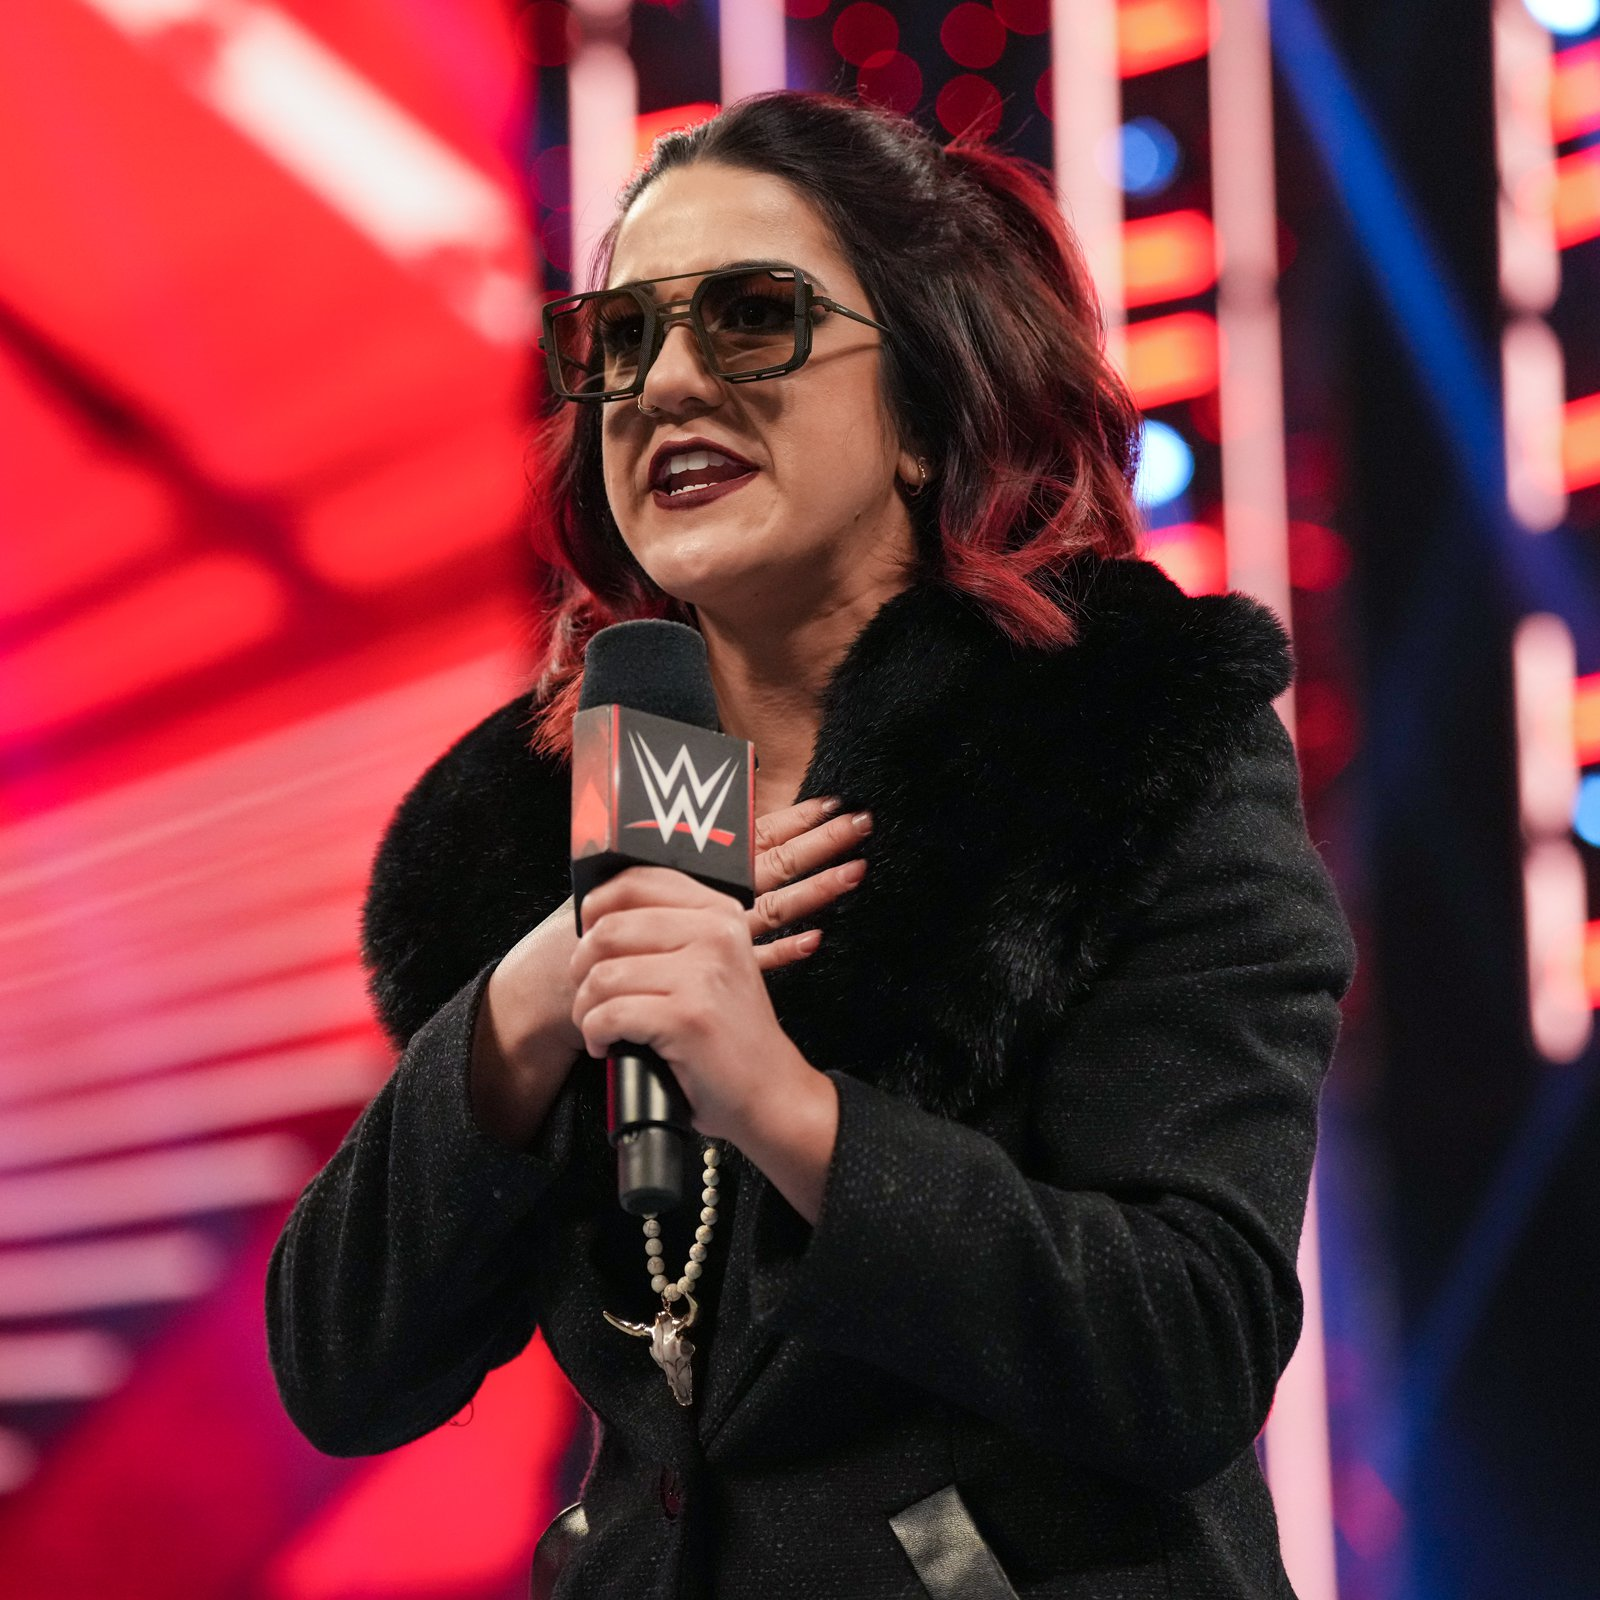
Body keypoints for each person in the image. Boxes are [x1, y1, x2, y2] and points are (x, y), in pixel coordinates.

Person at [265, 91, 1356, 1599]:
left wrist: (784, 1107)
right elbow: (341, 1374)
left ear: (924, 406)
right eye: (622, 340)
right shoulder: (544, 816)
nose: (663, 384)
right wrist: (531, 1000)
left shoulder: (1122, 749)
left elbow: (1186, 1352)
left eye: (752, 317)